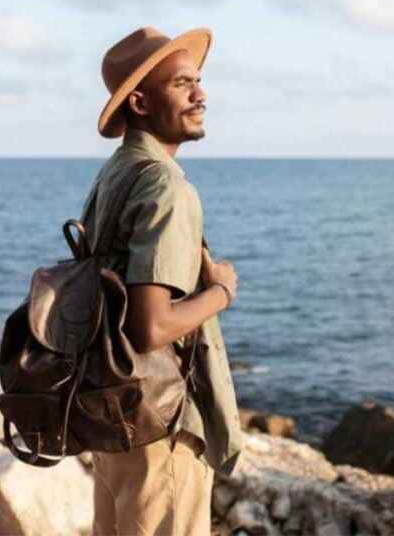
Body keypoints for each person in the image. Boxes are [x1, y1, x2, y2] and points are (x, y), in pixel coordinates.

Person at [80, 26, 245, 535]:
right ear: (141, 103)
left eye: (198, 81)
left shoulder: (114, 173)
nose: (201, 94)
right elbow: (150, 328)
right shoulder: (164, 183)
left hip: (115, 414)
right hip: (160, 426)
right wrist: (221, 292)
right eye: (181, 84)